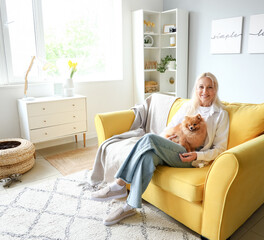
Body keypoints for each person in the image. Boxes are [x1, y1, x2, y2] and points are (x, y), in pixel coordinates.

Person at [91, 72, 229, 226]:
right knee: (147, 156)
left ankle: (118, 184)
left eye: (209, 87)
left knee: (149, 138)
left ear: (215, 89)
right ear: (196, 89)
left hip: (192, 158)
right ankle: (130, 206)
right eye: (201, 87)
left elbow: (221, 148)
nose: (205, 91)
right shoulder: (188, 107)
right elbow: (168, 129)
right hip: (174, 148)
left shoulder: (220, 115)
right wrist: (164, 140)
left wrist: (197, 155)